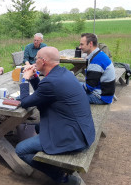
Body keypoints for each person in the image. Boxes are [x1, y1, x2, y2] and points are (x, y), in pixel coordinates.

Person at [16, 47, 95, 185]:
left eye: (36, 59)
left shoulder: (51, 81)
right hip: (83, 129)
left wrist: (24, 79)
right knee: (40, 127)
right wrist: (34, 77)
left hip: (74, 137)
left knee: (20, 150)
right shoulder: (63, 73)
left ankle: (62, 177)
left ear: (43, 61)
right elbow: (43, 91)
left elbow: (25, 102)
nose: (34, 62)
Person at [79, 33, 115, 104]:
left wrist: (71, 89)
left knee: (67, 96)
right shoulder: (99, 54)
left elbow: (88, 88)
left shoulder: (96, 61)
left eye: (82, 44)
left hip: (101, 97)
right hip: (104, 93)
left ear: (90, 44)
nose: (80, 47)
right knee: (72, 84)